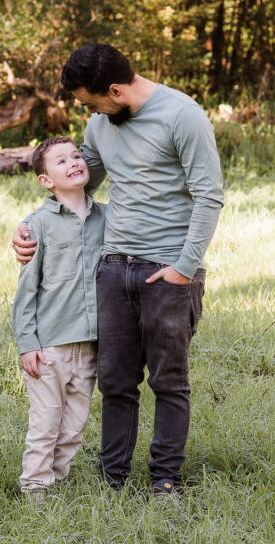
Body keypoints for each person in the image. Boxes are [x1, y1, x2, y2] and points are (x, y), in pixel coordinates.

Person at [14, 44, 223, 496]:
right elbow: (78, 176)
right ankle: (114, 481)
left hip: (168, 271)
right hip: (113, 269)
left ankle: (164, 479)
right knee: (115, 383)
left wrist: (184, 268)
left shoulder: (183, 116)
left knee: (168, 379)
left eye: (92, 103)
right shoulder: (100, 122)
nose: (89, 113)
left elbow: (209, 196)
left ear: (115, 90)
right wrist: (32, 228)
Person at [12, 135, 105, 499]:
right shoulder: (38, 226)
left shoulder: (106, 217)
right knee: (46, 424)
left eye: (77, 156)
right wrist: (27, 344)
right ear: (46, 180)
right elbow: (26, 290)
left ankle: (58, 484)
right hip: (51, 345)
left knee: (73, 427)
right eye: (61, 162)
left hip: (92, 342)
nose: (73, 163)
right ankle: (35, 491)